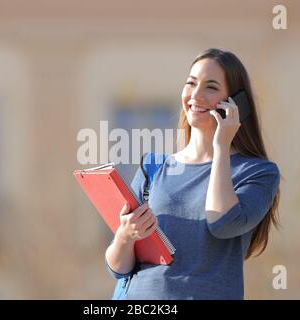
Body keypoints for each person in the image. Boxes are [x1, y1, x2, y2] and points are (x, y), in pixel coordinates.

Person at [105, 48, 281, 300]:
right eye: (191, 83)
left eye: (211, 87)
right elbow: (118, 268)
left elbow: (223, 223)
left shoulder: (258, 172)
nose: (195, 95)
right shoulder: (153, 167)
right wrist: (125, 235)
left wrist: (221, 146)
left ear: (235, 104)